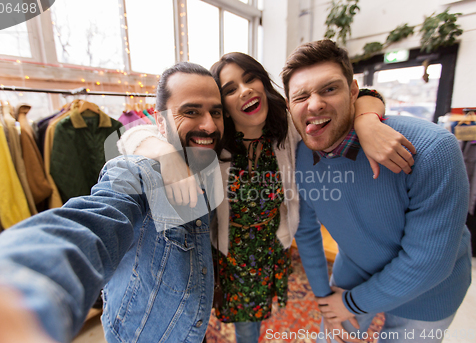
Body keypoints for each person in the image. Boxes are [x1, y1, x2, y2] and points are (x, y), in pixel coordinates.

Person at [122, 52, 416, 343]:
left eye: (251, 79)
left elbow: (365, 92)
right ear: (222, 106)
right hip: (231, 262)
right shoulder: (212, 141)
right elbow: (131, 136)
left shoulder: (289, 127)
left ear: (264, 84)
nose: (245, 90)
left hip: (272, 254)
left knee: (261, 319)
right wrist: (166, 156)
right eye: (231, 89)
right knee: (246, 329)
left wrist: (367, 119)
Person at [0, 62, 225, 343]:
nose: (209, 124)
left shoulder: (208, 163)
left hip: (193, 326)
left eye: (215, 112)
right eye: (191, 111)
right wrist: (13, 294)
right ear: (160, 120)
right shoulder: (136, 173)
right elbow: (94, 223)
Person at [281, 39, 472, 343]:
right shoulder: (300, 156)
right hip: (354, 269)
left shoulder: (433, 150)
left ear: (354, 92)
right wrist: (324, 298)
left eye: (329, 89)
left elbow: (429, 264)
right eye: (301, 95)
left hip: (429, 294)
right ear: (289, 106)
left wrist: (349, 304)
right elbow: (305, 231)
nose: (314, 103)